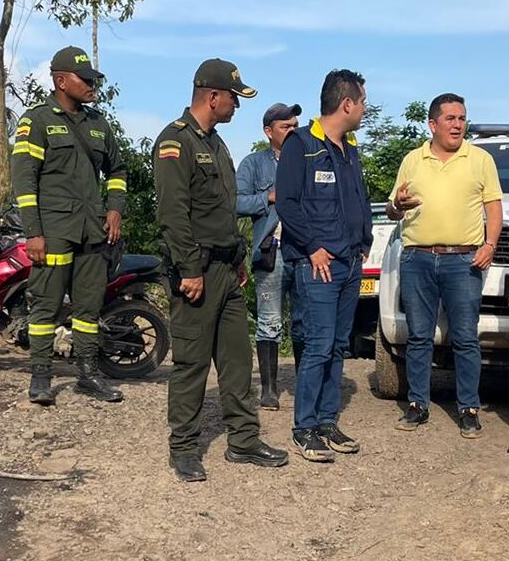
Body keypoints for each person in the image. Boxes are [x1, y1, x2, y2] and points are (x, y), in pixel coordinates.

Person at [154, 58, 289, 482]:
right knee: (192, 363)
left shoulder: (216, 143)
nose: (236, 105)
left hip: (228, 271)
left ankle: (244, 440)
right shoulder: (176, 143)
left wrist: (237, 261)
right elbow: (174, 214)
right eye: (233, 97)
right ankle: (184, 449)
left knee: (235, 359)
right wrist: (190, 270)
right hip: (198, 272)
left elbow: (223, 212)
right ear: (213, 97)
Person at [10, 46, 127, 406]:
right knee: (45, 307)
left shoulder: (98, 125)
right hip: (54, 231)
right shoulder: (37, 121)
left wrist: (115, 209)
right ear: (61, 80)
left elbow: (118, 170)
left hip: (93, 231)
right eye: (85, 79)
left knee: (88, 309)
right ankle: (41, 376)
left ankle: (88, 374)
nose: (93, 85)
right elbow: (24, 181)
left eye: (94, 79)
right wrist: (34, 233)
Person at [385, 93, 503, 438]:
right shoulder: (412, 160)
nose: (458, 125)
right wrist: (397, 204)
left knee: (465, 337)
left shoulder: (480, 159)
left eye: (462, 118)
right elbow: (394, 209)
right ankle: (417, 405)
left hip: (463, 260)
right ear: (433, 124)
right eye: (450, 118)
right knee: (419, 336)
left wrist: (490, 245)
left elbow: (493, 208)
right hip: (417, 258)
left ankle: (468, 408)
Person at [276, 69, 372, 463]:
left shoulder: (349, 149)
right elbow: (288, 203)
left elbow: (357, 200)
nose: (365, 108)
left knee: (336, 346)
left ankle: (327, 422)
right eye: (363, 101)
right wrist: (313, 247)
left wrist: (363, 242)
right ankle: (304, 428)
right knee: (317, 345)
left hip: (350, 263)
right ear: (346, 103)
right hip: (319, 265)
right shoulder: (302, 144)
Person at [237, 102, 303, 411]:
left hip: (305, 253)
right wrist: (269, 197)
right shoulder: (253, 164)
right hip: (271, 252)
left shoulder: (309, 159)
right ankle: (269, 390)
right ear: (268, 131)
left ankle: (306, 385)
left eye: (294, 125)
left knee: (305, 323)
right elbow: (235, 202)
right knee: (270, 322)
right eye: (285, 126)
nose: (292, 131)